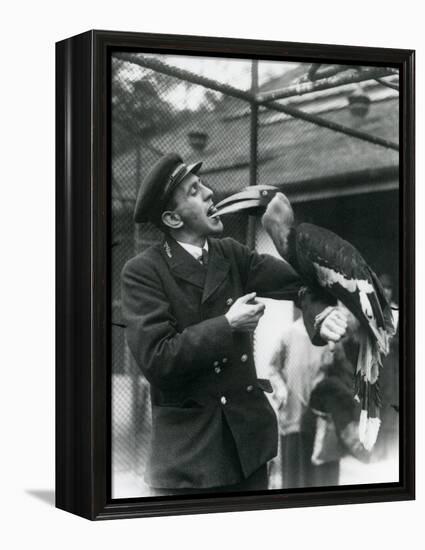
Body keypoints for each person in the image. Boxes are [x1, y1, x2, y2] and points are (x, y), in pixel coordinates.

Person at [121, 153, 347, 495]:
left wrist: (321, 315)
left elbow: (301, 285)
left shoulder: (231, 253)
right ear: (172, 217)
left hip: (248, 448)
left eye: (203, 185)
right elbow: (158, 359)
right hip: (189, 460)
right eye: (195, 191)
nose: (210, 193)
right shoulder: (144, 272)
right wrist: (227, 325)